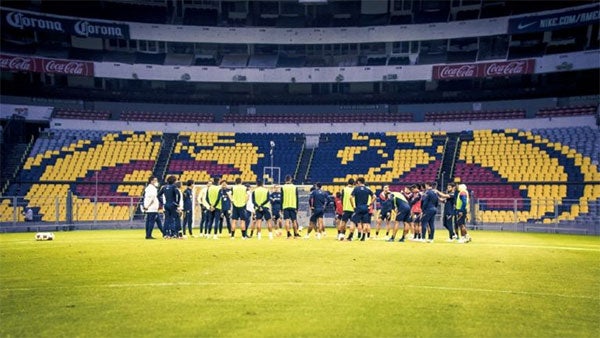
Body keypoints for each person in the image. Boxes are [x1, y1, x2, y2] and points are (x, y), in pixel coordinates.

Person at [351, 177, 375, 241]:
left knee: (354, 222)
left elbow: (351, 197)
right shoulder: (367, 189)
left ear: (359, 182)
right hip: (365, 208)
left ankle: (350, 236)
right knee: (365, 223)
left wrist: (353, 206)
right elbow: (374, 197)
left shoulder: (356, 188)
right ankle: (363, 237)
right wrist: (370, 204)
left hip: (358, 207)